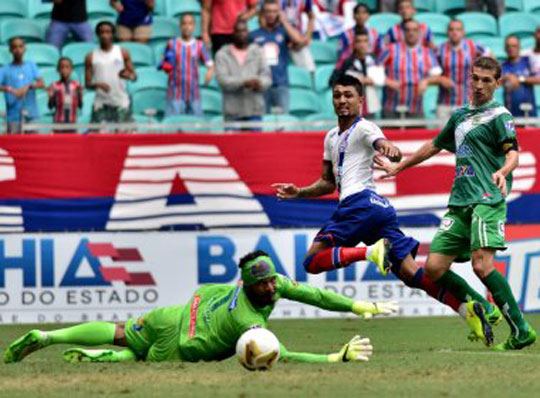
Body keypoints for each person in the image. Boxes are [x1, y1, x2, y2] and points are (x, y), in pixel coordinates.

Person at [272, 73, 494, 346]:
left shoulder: (366, 129)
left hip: (358, 205)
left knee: (311, 262)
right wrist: (301, 192)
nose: (342, 101)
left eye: (348, 96)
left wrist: (391, 150)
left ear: (360, 101)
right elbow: (329, 182)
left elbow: (384, 145)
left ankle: (371, 252)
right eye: (337, 96)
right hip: (377, 209)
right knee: (413, 275)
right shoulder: (331, 137)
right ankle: (466, 311)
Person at [374, 56, 537, 351]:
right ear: (468, 79)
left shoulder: (500, 115)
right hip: (460, 201)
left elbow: (513, 152)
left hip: (487, 197)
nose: (479, 85)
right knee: (434, 268)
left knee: (481, 265)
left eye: (487, 80)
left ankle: (521, 330)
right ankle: (483, 307)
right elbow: (434, 145)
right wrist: (400, 167)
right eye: (475, 78)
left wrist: (503, 171)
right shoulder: (460, 115)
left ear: (497, 84)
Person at [3, 250, 398, 364]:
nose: (269, 286)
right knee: (136, 358)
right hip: (180, 344)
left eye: (271, 279)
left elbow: (317, 295)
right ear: (249, 285)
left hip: (172, 314)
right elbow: (280, 354)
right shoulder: (248, 319)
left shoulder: (270, 285)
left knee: (122, 330)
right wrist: (332, 358)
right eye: (261, 282)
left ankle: (51, 336)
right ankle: (95, 357)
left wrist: (359, 304)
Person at [379, 20, 443, 118]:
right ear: (403, 33)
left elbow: (437, 74)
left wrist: (427, 81)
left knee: (418, 133)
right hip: (391, 107)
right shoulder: (391, 49)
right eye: (407, 30)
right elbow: (374, 69)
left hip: (416, 107)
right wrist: (387, 81)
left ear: (419, 33)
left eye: (414, 30)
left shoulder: (427, 52)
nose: (411, 33)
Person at [250, 0, 305, 114]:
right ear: (263, 13)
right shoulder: (254, 35)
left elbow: (299, 40)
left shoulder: (283, 31)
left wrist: (284, 21)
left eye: (275, 11)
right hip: (261, 84)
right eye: (268, 11)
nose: (271, 14)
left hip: (280, 83)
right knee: (263, 122)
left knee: (283, 122)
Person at [216, 20, 271, 130]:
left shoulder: (258, 52)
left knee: (255, 146)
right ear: (233, 34)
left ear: (248, 32)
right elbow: (222, 81)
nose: (241, 34)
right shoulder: (222, 54)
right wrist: (244, 82)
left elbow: (267, 77)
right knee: (232, 146)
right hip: (232, 111)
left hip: (254, 110)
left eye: (244, 31)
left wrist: (259, 83)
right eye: (238, 31)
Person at [159, 14, 214, 117]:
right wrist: (165, 65)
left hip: (194, 93)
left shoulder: (199, 45)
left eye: (190, 23)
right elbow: (164, 62)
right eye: (184, 23)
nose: (187, 26)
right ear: (180, 26)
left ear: (194, 27)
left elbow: (210, 64)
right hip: (176, 92)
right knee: (174, 126)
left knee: (196, 127)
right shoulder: (172, 44)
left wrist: (210, 72)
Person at [436, 20, 489, 122]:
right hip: (445, 103)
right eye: (451, 29)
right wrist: (440, 78)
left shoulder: (473, 46)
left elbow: (491, 60)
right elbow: (430, 73)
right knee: (445, 136)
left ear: (463, 32)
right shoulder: (440, 49)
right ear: (447, 32)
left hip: (468, 102)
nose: (454, 32)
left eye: (458, 29)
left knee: (468, 136)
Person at [85, 21, 137, 124]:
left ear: (113, 34)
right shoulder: (91, 56)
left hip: (121, 101)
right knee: (99, 137)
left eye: (108, 32)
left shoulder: (122, 53)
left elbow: (134, 76)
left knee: (123, 135)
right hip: (101, 103)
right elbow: (87, 84)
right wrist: (97, 84)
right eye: (102, 32)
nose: (105, 35)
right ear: (98, 35)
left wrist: (128, 75)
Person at [330, 29, 385, 117]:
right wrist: (353, 81)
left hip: (372, 107)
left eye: (365, 41)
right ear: (354, 44)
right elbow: (332, 81)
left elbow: (382, 80)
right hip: (351, 108)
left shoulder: (375, 60)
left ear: (369, 44)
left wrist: (373, 80)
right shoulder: (346, 62)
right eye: (359, 41)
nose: (362, 44)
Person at [0, 38, 44, 134]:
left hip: (31, 113)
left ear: (25, 48)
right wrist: (9, 89)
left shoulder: (31, 65)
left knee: (34, 143)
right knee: (15, 145)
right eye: (15, 47)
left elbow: (41, 83)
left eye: (20, 46)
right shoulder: (5, 69)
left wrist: (27, 87)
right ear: (10, 50)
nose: (18, 49)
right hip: (13, 115)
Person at [501, 36, 540, 118]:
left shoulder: (528, 61)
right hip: (510, 114)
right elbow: (495, 82)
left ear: (520, 47)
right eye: (508, 46)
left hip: (529, 112)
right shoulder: (502, 66)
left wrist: (520, 79)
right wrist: (507, 77)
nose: (511, 48)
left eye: (514, 46)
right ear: (505, 49)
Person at [47, 57, 83, 132]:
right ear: (58, 70)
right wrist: (51, 97)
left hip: (72, 122)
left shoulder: (76, 85)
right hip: (58, 122)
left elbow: (80, 105)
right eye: (62, 67)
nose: (64, 70)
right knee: (58, 143)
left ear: (71, 70)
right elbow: (50, 106)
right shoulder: (54, 85)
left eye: (67, 67)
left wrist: (80, 94)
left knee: (72, 142)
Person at [279, 0, 316, 73]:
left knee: (310, 70)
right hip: (277, 36)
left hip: (297, 41)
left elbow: (311, 16)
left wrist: (307, 37)